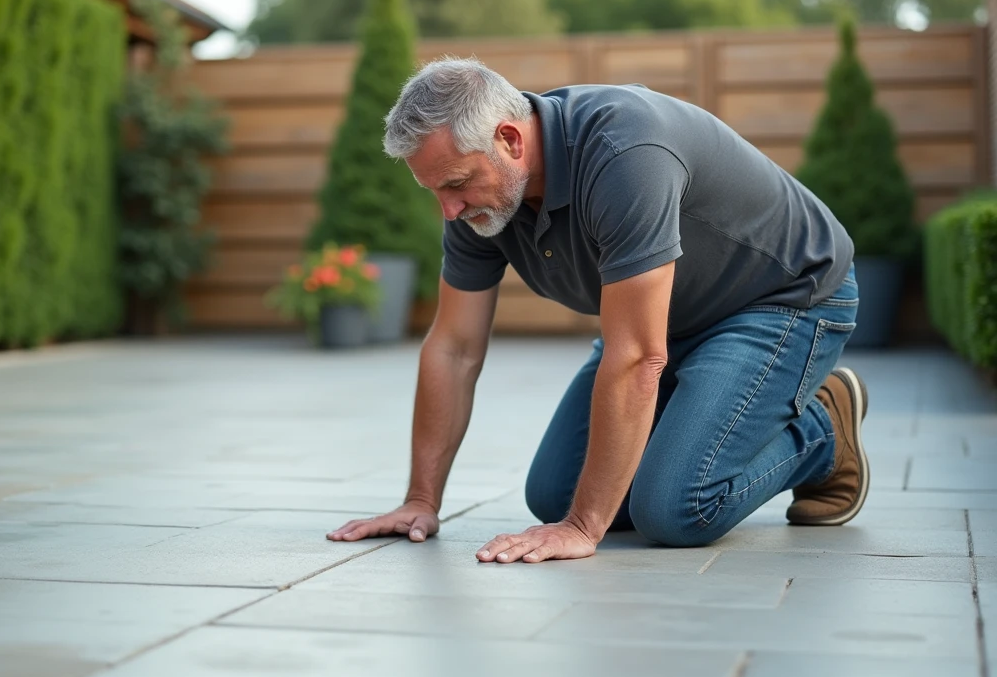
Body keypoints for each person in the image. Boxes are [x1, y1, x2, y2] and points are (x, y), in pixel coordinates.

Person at [326, 57, 869, 564]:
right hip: (670, 320)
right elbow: (454, 347)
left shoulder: (624, 154)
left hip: (781, 299)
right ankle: (704, 425)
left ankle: (822, 430)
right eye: (435, 191)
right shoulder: (478, 203)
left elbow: (637, 359)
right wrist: (421, 500)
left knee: (675, 509)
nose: (448, 209)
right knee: (552, 494)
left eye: (456, 185)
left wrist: (584, 527)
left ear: (509, 140)